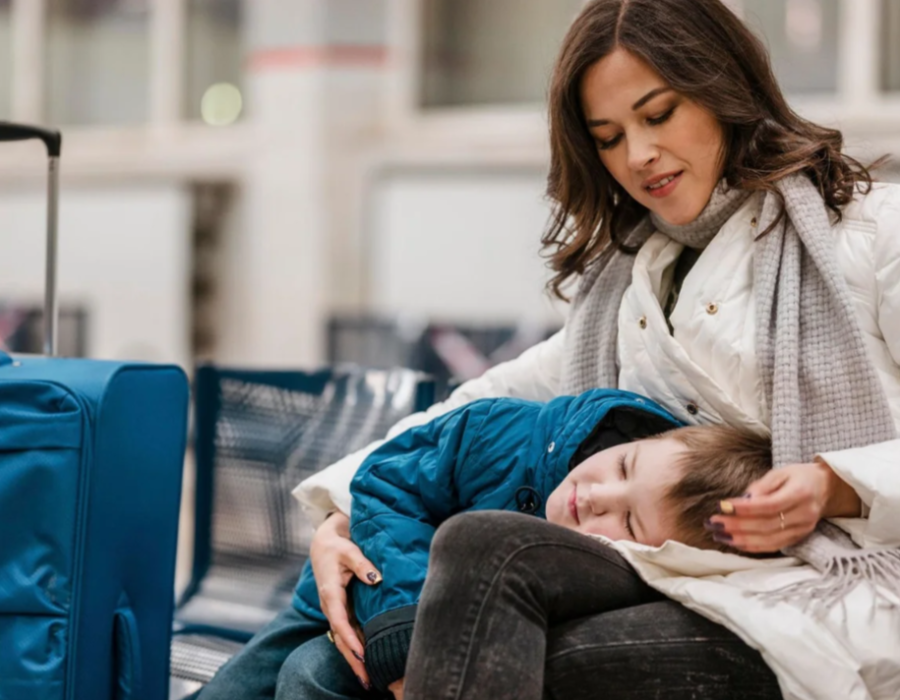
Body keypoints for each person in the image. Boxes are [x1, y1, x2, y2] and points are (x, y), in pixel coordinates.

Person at [296, 0, 900, 698]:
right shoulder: (632, 281)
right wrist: (344, 513)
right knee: (324, 666)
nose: (638, 157)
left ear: (724, 92)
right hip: (684, 580)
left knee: (522, 635)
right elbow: (487, 399)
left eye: (658, 115)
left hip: (845, 591)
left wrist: (834, 484)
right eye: (609, 137)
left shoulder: (874, 233)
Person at [197, 388, 773, 699]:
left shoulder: (599, 568)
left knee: (308, 676)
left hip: (412, 624)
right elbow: (387, 481)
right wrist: (403, 634)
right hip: (339, 590)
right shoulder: (505, 432)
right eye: (623, 466)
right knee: (238, 688)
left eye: (629, 519)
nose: (599, 497)